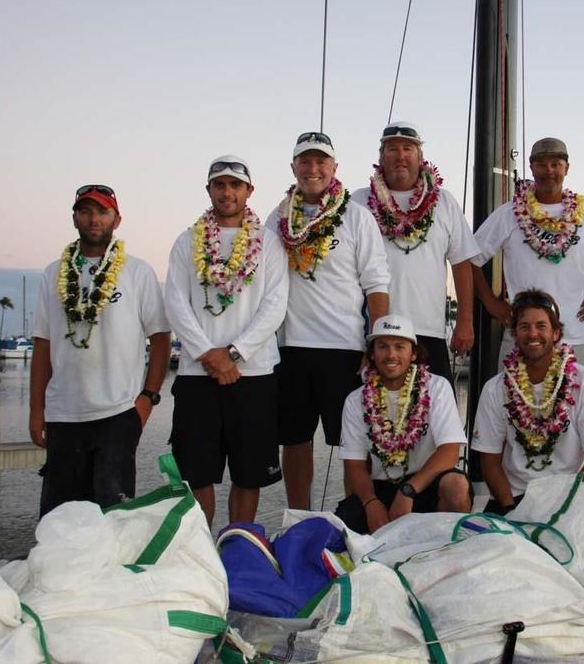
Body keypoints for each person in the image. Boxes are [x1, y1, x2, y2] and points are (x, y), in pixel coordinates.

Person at [29, 184, 170, 517]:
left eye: (102, 212)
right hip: (64, 415)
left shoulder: (137, 272)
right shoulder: (53, 274)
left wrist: (147, 399)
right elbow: (42, 345)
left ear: (116, 219)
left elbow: (160, 337)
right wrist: (37, 410)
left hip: (118, 414)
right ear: (75, 218)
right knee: (59, 520)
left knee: (115, 519)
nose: (94, 219)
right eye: (86, 211)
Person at [267, 132, 390, 509]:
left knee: (353, 442)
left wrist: (377, 343)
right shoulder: (277, 218)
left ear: (334, 168)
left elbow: (376, 282)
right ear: (293, 167)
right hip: (291, 348)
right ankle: (299, 517)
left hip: (344, 348)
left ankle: (355, 513)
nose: (313, 169)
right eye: (305, 161)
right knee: (295, 440)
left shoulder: (357, 215)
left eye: (321, 161)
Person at [164, 155, 288, 525]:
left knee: (249, 472)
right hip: (195, 375)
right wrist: (207, 353)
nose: (227, 192)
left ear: (249, 191)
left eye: (235, 185)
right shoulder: (187, 241)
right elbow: (175, 301)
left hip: (253, 373)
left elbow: (275, 305)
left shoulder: (269, 243)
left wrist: (234, 354)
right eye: (220, 184)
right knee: (196, 471)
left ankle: (238, 542)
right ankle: (201, 548)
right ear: (209, 190)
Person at [471, 137, 584, 368]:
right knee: (511, 403)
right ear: (531, 167)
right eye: (542, 165)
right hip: (522, 339)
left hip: (574, 340)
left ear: (566, 168)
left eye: (556, 164)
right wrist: (490, 302)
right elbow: (469, 258)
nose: (549, 171)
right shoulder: (509, 213)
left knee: (578, 405)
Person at [350, 122, 479, 382]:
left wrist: (465, 320)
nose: (400, 155)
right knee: (373, 413)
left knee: (437, 414)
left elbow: (462, 262)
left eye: (408, 148)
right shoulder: (358, 202)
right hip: (374, 332)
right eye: (392, 149)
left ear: (420, 157)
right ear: (380, 157)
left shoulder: (444, 201)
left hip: (428, 329)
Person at [472, 289, 584, 513]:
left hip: (568, 501)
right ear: (514, 334)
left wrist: (566, 511)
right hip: (514, 499)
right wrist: (511, 511)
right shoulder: (495, 388)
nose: (532, 334)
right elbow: (489, 463)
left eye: (541, 326)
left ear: (556, 333)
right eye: (524, 326)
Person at [335, 315, 472, 533]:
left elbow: (450, 452)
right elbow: (355, 465)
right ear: (372, 354)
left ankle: (454, 551)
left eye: (400, 347)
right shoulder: (355, 399)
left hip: (426, 484)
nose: (391, 355)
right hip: (381, 488)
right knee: (340, 527)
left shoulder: (437, 387)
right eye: (383, 347)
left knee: (456, 486)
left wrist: (408, 491)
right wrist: (371, 503)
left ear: (413, 354)